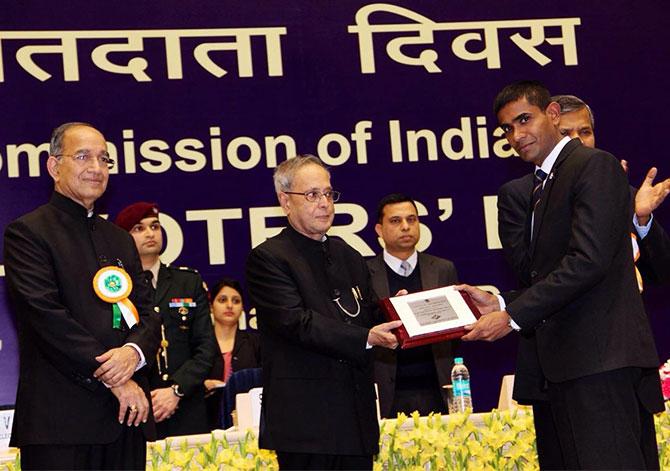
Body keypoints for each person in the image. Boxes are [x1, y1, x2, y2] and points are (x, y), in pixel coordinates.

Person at [460, 81, 664, 469]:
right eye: (506, 128)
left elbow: (587, 262)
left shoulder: (594, 165)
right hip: (565, 369)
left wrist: (512, 317)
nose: (516, 135)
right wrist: (504, 301)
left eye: (524, 120)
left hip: (599, 364)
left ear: (552, 114)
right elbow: (548, 273)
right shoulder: (540, 185)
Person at [3, 122, 160, 470]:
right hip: (61, 424)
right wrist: (113, 375)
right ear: (54, 166)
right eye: (83, 156)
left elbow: (147, 312)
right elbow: (45, 316)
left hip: (125, 421)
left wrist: (133, 354)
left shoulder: (119, 239)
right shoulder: (27, 233)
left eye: (104, 159)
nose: (96, 168)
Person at [245, 154, 402, 470]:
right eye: (312, 195)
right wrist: (366, 337)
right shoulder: (269, 258)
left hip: (355, 420)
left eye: (329, 194)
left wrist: (398, 312)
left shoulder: (348, 253)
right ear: (285, 201)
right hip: (306, 426)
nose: (325, 204)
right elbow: (296, 322)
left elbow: (367, 311)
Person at [114, 202, 217, 438]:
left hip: (186, 407)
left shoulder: (188, 281)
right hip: (134, 408)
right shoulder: (114, 286)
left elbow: (206, 347)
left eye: (155, 226)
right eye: (138, 229)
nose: (150, 233)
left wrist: (175, 390)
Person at [367, 193, 458, 418]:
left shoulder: (443, 269)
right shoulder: (364, 273)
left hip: (438, 388)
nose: (406, 227)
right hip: (386, 390)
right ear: (379, 230)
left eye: (412, 219)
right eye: (396, 221)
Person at [204, 278, 261, 430]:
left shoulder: (255, 343)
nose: (229, 305)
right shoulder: (199, 343)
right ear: (211, 306)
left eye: (236, 301)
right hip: (205, 419)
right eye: (222, 300)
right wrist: (202, 385)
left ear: (242, 309)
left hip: (247, 422)